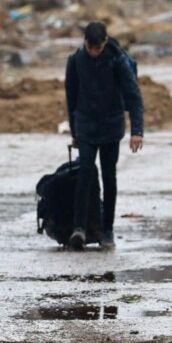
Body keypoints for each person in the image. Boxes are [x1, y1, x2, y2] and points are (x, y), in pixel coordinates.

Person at [65, 21, 144, 250]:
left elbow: (133, 95)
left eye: (97, 48)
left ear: (105, 42)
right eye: (90, 47)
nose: (93, 52)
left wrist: (137, 131)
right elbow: (72, 99)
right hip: (87, 126)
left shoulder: (117, 60)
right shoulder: (76, 61)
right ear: (85, 43)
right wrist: (75, 132)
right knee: (85, 174)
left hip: (111, 126)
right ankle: (79, 228)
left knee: (109, 178)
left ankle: (106, 231)